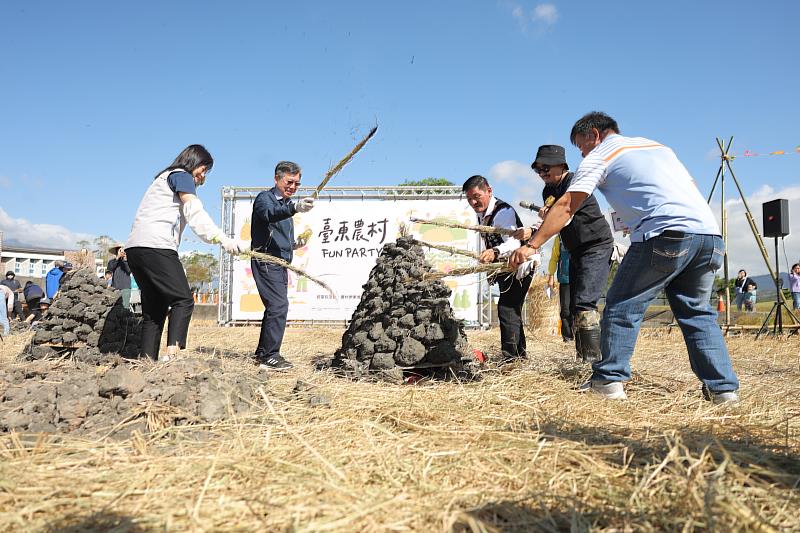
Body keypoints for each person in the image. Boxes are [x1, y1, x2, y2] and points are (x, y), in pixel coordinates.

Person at [509, 111, 739, 404]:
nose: (583, 154)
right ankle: (723, 390)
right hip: (709, 237)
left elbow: (567, 206)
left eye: (581, 146)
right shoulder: (657, 147)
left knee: (621, 305)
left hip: (664, 234)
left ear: (594, 134)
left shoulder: (600, 155)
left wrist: (532, 245)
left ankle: (608, 379)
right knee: (697, 313)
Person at [125, 144, 248, 362]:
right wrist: (222, 238)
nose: (203, 176)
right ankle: (173, 357)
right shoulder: (181, 176)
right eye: (203, 169)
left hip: (136, 249)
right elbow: (195, 212)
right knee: (183, 300)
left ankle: (145, 363)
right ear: (194, 162)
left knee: (154, 310)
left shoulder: (162, 179)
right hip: (157, 246)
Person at [514, 145, 613, 362]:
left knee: (585, 303)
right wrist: (535, 227)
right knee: (575, 305)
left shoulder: (576, 182)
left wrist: (532, 242)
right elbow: (552, 220)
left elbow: (564, 214)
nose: (542, 173)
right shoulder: (547, 191)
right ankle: (583, 358)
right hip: (575, 250)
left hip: (596, 245)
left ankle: (592, 364)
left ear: (562, 165)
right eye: (538, 170)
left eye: (546, 167)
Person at [250, 161, 315, 370]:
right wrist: (294, 207)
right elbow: (270, 214)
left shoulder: (286, 206)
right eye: (289, 182)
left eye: (297, 183)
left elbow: (278, 235)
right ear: (276, 179)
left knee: (274, 307)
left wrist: (295, 244)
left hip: (280, 263)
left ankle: (262, 352)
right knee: (279, 306)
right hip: (267, 260)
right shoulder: (265, 199)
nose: (293, 187)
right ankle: (270, 356)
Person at [463, 175, 535, 361]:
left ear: (489, 191)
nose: (473, 202)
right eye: (469, 198)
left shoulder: (503, 212)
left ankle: (510, 358)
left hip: (521, 265)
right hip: (505, 267)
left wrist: (494, 251)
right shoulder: (481, 214)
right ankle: (519, 355)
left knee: (507, 307)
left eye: (477, 196)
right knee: (512, 309)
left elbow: (513, 243)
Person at [548, 235, 573, 343]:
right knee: (565, 310)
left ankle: (580, 337)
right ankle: (567, 338)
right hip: (565, 279)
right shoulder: (560, 238)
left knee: (578, 308)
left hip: (581, 278)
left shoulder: (583, 233)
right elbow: (554, 258)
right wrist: (551, 276)